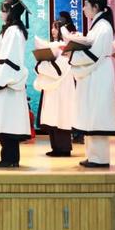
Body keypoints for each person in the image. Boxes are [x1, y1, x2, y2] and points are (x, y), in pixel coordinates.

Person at [69, 0, 115, 168]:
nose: (83, 8)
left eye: (86, 5)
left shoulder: (103, 27)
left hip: (99, 74)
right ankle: (92, 155)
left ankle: (100, 158)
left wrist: (72, 54)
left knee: (97, 115)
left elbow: (93, 54)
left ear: (95, 6)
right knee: (92, 114)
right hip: (95, 73)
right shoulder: (97, 26)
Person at [0, 0, 31, 168]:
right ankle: (7, 157)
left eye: (4, 9)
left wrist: (0, 80)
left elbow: (10, 59)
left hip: (8, 83)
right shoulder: (9, 30)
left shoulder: (14, 31)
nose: (1, 12)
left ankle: (10, 158)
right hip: (4, 80)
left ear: (11, 11)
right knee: (5, 120)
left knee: (9, 122)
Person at [34, 13, 76, 157]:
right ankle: (56, 147)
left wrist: (40, 65)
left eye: (56, 27)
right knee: (53, 117)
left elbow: (58, 70)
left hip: (63, 87)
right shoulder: (54, 45)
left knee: (62, 117)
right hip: (52, 87)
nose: (53, 30)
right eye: (52, 27)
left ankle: (64, 148)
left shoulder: (66, 47)